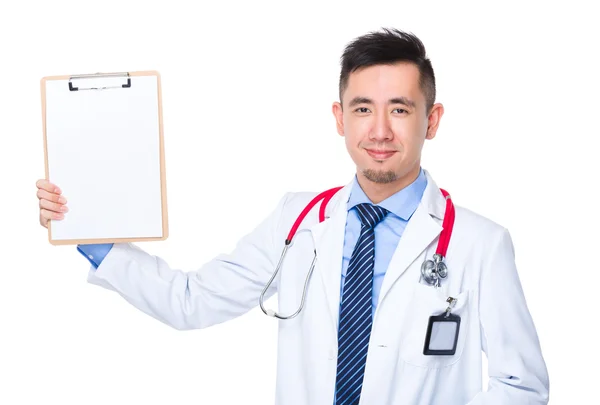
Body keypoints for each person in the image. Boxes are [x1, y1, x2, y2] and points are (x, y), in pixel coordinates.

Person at [36, 28, 549, 405]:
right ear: (339, 117)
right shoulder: (298, 220)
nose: (380, 131)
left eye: (400, 109)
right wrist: (89, 227)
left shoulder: (480, 244)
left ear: (430, 120)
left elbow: (522, 384)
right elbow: (191, 302)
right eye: (363, 108)